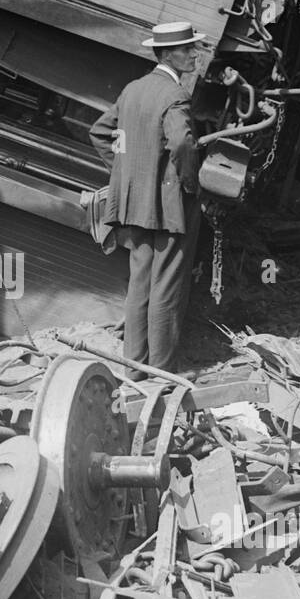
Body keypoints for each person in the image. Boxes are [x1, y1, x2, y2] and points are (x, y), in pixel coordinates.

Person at [89, 21, 206, 378]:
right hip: (169, 209)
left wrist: (127, 173)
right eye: (188, 49)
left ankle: (133, 369)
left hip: (133, 204)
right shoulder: (175, 95)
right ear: (169, 54)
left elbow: (100, 132)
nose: (194, 54)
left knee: (140, 283)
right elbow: (183, 145)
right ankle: (162, 373)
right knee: (167, 287)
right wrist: (187, 184)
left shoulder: (133, 90)